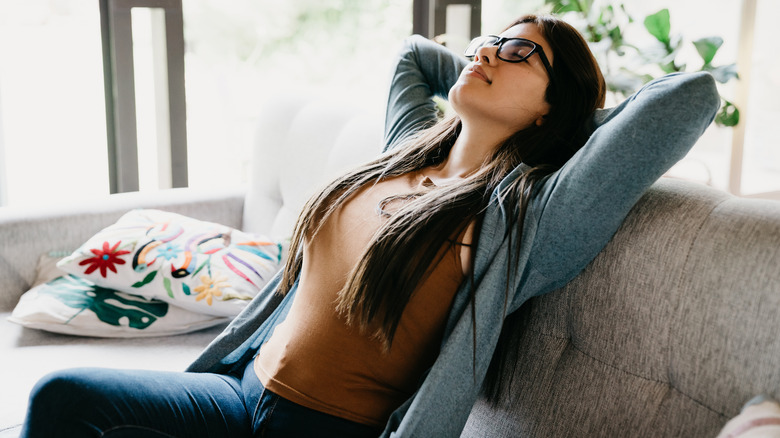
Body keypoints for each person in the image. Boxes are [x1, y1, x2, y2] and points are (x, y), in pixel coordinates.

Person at [21, 13, 719, 438]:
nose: (486, 52)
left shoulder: (527, 214)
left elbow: (686, 99)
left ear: (552, 108)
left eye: (518, 53)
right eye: (487, 41)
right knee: (64, 400)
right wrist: (495, 64)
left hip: (323, 430)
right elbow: (415, 56)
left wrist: (575, 123)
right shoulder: (409, 150)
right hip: (241, 390)